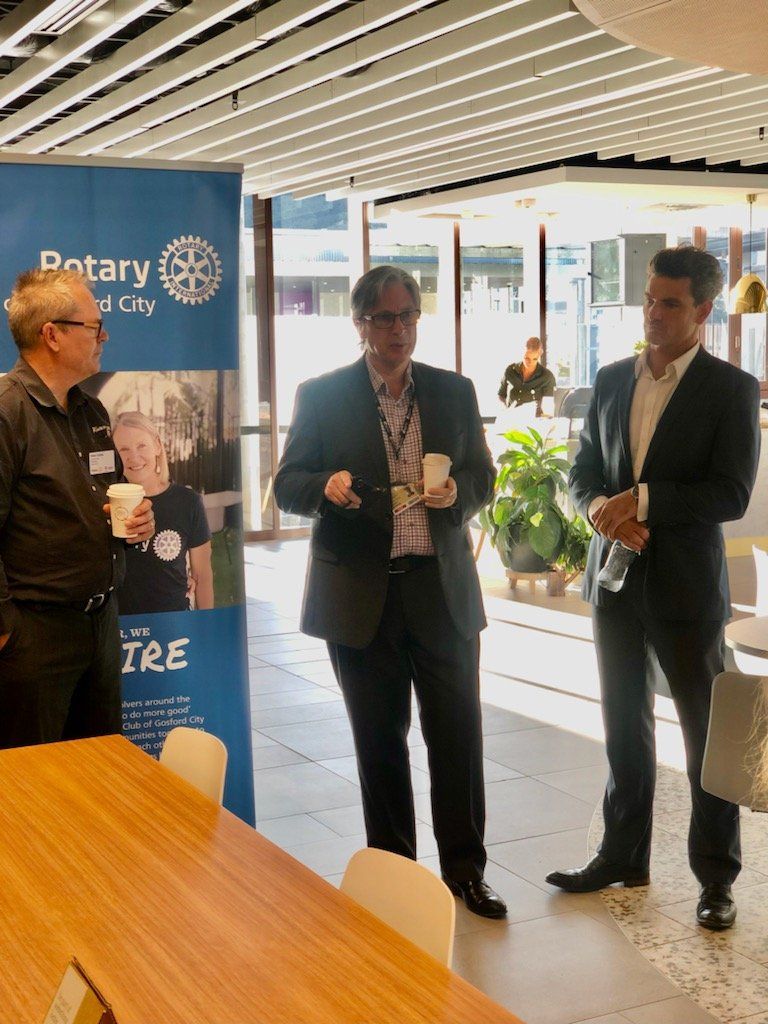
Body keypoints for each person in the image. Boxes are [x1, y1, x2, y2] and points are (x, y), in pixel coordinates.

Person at [274, 265, 506, 919]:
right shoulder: (322, 395)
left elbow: (483, 476)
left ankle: (466, 872)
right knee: (379, 743)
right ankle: (395, 879)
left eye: (407, 317)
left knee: (457, 738)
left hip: (441, 591)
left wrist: (459, 491)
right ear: (360, 324)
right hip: (361, 598)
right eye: (384, 318)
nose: (398, 329)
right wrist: (325, 486)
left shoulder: (453, 392)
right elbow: (288, 483)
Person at [546, 246, 761, 932]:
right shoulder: (611, 380)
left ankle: (716, 878)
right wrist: (597, 511)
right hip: (613, 582)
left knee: (706, 737)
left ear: (703, 310)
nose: (654, 314)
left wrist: (641, 500)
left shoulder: (732, 389)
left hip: (687, 588)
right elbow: (582, 472)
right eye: (649, 300)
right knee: (623, 727)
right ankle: (622, 855)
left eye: (670, 303)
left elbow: (729, 492)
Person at [0, 268, 155, 748]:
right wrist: (6, 635)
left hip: (100, 627)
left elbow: (105, 503)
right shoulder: (7, 412)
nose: (104, 334)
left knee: (100, 778)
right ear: (51, 335)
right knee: (35, 794)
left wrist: (136, 520)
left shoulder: (92, 412)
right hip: (33, 638)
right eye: (93, 325)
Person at [112, 410, 213, 615]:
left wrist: (206, 628)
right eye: (123, 449)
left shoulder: (188, 502)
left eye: (142, 445)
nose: (134, 457)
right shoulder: (107, 504)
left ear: (157, 445)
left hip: (173, 626)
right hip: (120, 629)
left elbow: (202, 575)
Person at [497, 336, 556, 416]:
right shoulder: (510, 370)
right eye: (527, 358)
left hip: (535, 423)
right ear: (522, 353)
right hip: (511, 420)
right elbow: (501, 395)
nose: (530, 363)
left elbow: (548, 408)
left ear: (539, 355)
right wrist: (505, 411)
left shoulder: (547, 377)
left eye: (535, 359)